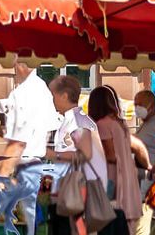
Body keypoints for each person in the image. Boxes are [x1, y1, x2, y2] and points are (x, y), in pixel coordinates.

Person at [0, 58, 61, 235]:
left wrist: (0, 179)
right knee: (27, 220)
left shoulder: (25, 93)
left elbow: (18, 142)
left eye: (13, 62)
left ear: (21, 64)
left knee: (19, 222)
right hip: (33, 164)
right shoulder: (40, 88)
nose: (12, 67)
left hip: (25, 164)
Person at [45, 77, 105, 234]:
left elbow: (86, 153)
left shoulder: (76, 121)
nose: (52, 101)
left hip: (75, 194)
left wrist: (53, 154)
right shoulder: (73, 119)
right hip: (70, 191)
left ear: (64, 96)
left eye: (53, 96)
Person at [89, 86, 149, 235]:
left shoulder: (102, 124)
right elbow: (136, 147)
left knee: (110, 224)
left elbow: (109, 155)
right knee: (124, 226)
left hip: (112, 180)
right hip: (127, 177)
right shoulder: (119, 123)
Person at [129, 90, 155, 235]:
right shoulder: (147, 124)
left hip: (149, 185)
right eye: (135, 104)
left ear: (151, 105)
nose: (137, 108)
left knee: (141, 227)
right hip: (140, 184)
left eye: (140, 104)